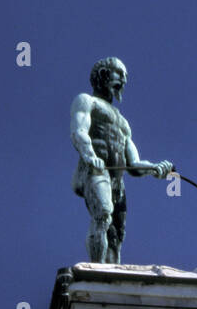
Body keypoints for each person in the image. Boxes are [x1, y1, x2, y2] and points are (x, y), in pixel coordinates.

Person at [70, 57, 173, 263]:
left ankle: (111, 277)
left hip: (118, 182)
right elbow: (79, 131)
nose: (123, 80)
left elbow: (133, 165)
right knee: (103, 215)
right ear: (103, 74)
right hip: (96, 171)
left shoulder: (124, 124)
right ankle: (97, 270)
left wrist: (154, 168)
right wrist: (90, 156)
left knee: (117, 234)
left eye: (125, 76)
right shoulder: (86, 101)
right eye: (119, 73)